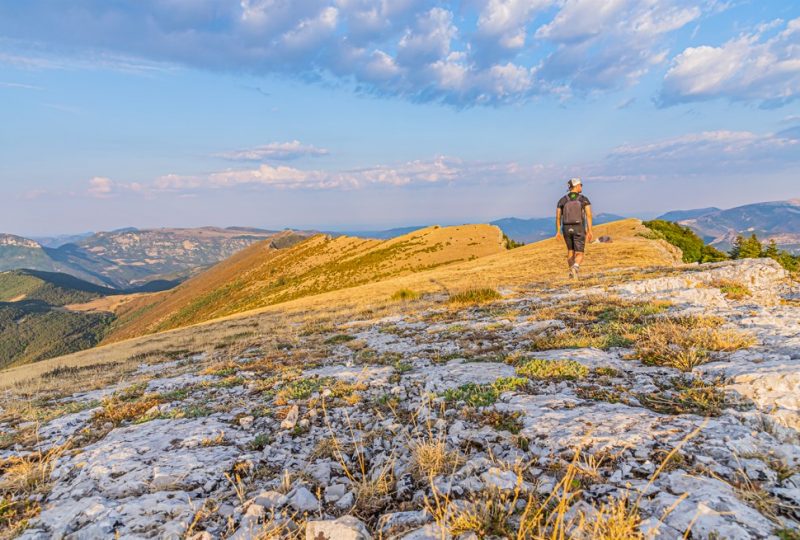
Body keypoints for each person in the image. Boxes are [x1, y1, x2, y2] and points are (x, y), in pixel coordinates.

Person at [555, 178, 593, 279]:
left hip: (566, 228)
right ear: (576, 186)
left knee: (570, 251)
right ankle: (575, 268)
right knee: (579, 253)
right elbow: (588, 215)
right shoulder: (583, 199)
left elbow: (558, 217)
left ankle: (572, 274)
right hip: (579, 228)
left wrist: (558, 231)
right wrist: (590, 231)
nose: (581, 186)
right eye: (581, 184)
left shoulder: (562, 200)